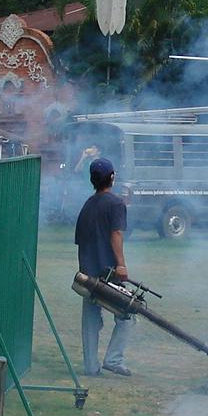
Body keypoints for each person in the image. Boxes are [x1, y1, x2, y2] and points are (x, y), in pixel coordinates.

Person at [75, 156, 134, 376]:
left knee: (90, 320)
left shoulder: (87, 205)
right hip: (108, 272)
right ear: (112, 177)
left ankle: (91, 367)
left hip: (87, 273)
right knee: (127, 315)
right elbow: (116, 234)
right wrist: (121, 265)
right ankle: (113, 360)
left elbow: (81, 241)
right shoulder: (116, 203)